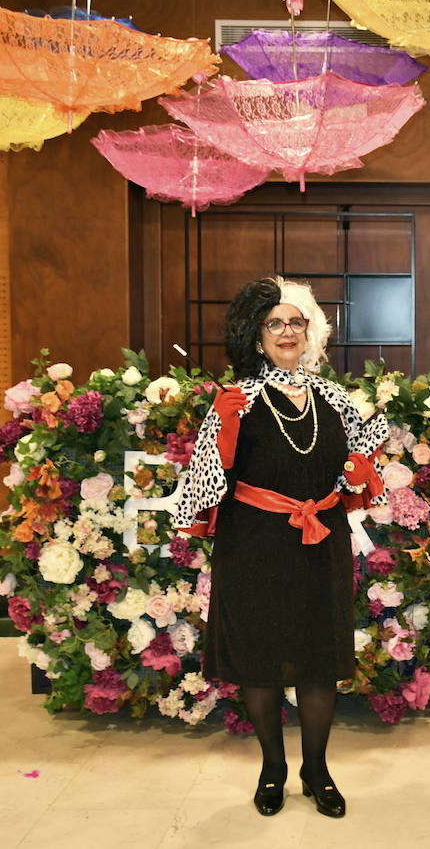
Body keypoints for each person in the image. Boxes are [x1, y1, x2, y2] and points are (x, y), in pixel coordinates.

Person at [173, 276, 388, 818]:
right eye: (275, 323)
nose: (287, 332)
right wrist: (218, 442)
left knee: (320, 659)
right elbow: (203, 485)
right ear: (256, 335)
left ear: (310, 330)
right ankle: (272, 769)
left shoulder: (334, 396)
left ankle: (316, 770)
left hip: (323, 542)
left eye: (296, 322)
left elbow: (359, 466)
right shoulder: (236, 400)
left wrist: (363, 464)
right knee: (261, 661)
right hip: (254, 546)